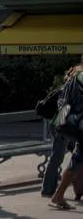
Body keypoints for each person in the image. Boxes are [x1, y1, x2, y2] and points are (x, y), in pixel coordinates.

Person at [43, 63, 83, 198]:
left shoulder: (70, 86)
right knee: (59, 157)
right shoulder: (73, 85)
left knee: (74, 157)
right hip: (66, 124)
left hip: (66, 124)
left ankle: (72, 190)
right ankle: (49, 190)